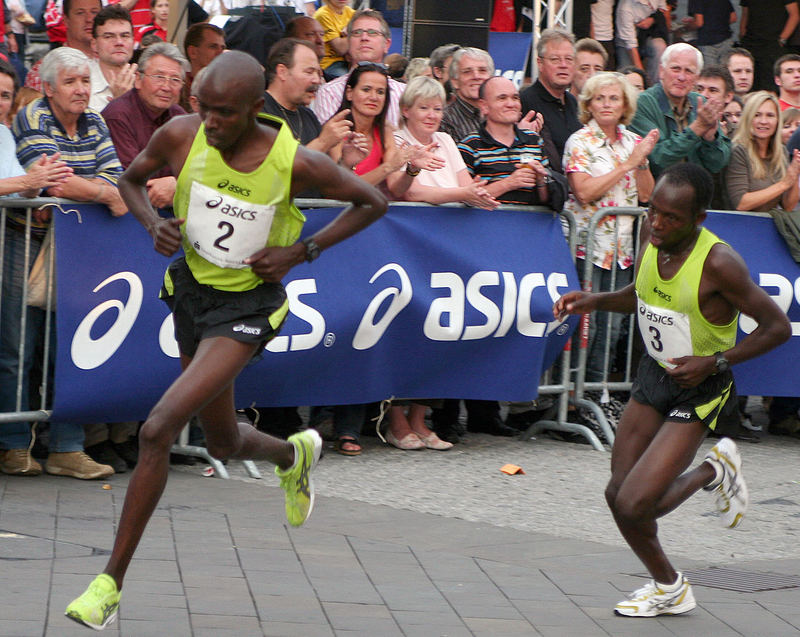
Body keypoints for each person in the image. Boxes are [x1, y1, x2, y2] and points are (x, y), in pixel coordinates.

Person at [64, 50, 387, 630]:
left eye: (223, 114)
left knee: (159, 427)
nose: (210, 122)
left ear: (253, 109)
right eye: (203, 108)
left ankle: (108, 585)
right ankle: (294, 455)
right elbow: (131, 181)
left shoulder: (293, 161)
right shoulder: (184, 135)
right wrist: (150, 222)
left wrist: (302, 250)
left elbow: (374, 201)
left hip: (247, 308)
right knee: (221, 441)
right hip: (190, 294)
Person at [553, 162, 791, 617]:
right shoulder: (652, 237)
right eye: (652, 210)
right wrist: (594, 301)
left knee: (636, 503)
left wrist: (715, 361)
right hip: (655, 375)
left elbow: (776, 328)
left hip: (702, 388)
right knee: (617, 497)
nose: (657, 223)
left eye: (670, 217)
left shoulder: (720, 262)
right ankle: (670, 587)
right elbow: (640, 294)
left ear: (698, 219)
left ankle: (711, 471)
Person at [5, 47, 125, 481]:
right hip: (28, 240)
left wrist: (91, 188)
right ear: (49, 87)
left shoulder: (95, 120)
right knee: (20, 346)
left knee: (71, 346)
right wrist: (101, 193)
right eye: (71, 82)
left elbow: (114, 174)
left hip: (78, 246)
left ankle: (67, 448)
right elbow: (53, 178)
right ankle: (14, 447)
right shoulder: (33, 116)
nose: (81, 90)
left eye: (85, 82)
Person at [0, 59, 74, 477]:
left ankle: (19, 445)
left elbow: (23, 186)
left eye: (6, 95)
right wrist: (30, 184)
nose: (0, 103)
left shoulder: (5, 136)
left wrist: (40, 192)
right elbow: (20, 185)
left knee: (21, 348)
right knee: (13, 349)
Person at [563, 72, 658, 382]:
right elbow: (585, 191)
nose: (606, 104)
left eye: (613, 98)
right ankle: (571, 399)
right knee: (584, 324)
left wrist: (641, 162)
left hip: (622, 250)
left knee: (613, 326)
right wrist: (628, 164)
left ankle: (597, 391)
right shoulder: (580, 141)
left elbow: (646, 195)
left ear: (625, 105)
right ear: (588, 104)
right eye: (600, 98)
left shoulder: (633, 142)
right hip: (586, 248)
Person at [101, 41, 186, 213]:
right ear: (138, 80)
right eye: (159, 77)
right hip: (127, 218)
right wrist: (178, 183)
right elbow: (133, 179)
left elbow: (201, 169)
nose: (166, 87)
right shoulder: (118, 114)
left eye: (175, 80)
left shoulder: (180, 117)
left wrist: (177, 183)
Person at [459, 76, 566, 208]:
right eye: (502, 98)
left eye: (515, 98)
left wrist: (541, 180)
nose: (511, 104)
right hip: (487, 225)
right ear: (484, 106)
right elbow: (463, 198)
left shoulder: (534, 140)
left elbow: (545, 200)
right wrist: (509, 183)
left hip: (531, 226)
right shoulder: (470, 145)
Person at [629, 43, 731, 180]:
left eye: (689, 71)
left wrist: (711, 140)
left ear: (696, 78)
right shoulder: (642, 103)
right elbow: (657, 160)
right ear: (661, 71)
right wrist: (697, 128)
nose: (682, 77)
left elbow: (717, 164)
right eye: (676, 69)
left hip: (696, 192)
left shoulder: (701, 104)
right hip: (658, 195)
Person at [394, 76, 497, 209]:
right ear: (406, 110)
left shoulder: (445, 139)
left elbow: (466, 185)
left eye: (437, 109)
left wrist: (478, 193)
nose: (431, 116)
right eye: (424, 108)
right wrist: (464, 194)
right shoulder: (396, 141)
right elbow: (413, 193)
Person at [328, 62, 416, 191]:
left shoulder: (385, 131)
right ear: (349, 93)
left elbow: (396, 190)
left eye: (380, 92)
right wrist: (388, 167)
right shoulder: (336, 129)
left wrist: (412, 170)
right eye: (366, 90)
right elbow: (344, 189)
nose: (374, 97)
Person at [312, 9, 404, 126]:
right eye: (357, 33)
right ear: (349, 43)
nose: (364, 37)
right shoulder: (328, 93)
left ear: (387, 44)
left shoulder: (404, 94)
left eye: (372, 32)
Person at [726, 91, 800, 213]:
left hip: (767, 226)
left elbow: (788, 206)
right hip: (738, 226)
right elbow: (741, 203)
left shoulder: (781, 152)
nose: (763, 121)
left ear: (777, 121)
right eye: (757, 115)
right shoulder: (738, 151)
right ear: (748, 118)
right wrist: (783, 184)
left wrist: (794, 174)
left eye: (770, 115)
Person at [519, 29, 581, 171]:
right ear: (540, 63)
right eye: (555, 59)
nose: (563, 65)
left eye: (569, 59)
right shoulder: (525, 102)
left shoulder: (572, 102)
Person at [25, 0, 101, 92]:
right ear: (66, 20)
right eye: (80, 13)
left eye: (94, 12)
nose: (89, 19)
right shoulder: (45, 70)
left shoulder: (114, 62)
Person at [739, 0, 799, 92]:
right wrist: (742, 35)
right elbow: (745, 14)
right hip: (750, 43)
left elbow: (794, 15)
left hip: (772, 44)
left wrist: (782, 39)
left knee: (771, 86)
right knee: (750, 84)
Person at [439, 46, 494, 142]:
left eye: (482, 70)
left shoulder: (500, 113)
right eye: (467, 72)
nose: (476, 76)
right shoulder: (444, 120)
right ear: (455, 82)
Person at [89, 4, 136, 112]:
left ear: (133, 42)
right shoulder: (81, 83)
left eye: (125, 36)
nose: (119, 42)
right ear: (94, 44)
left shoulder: (145, 83)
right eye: (109, 36)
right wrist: (120, 104)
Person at [614, 0, 669, 84]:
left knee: (659, 46)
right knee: (625, 75)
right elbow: (631, 44)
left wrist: (652, 19)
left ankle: (654, 87)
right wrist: (642, 77)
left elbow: (663, 10)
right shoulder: (625, 8)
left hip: (646, 37)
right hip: (626, 44)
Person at [179, 22, 225, 112]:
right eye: (213, 47)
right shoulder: (177, 89)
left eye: (222, 48)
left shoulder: (228, 89)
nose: (220, 53)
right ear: (193, 52)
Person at [685, 0, 736, 66]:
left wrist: (686, 27)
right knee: (726, 71)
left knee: (710, 73)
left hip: (707, 42)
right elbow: (733, 18)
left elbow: (699, 23)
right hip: (726, 38)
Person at [314, 0, 354, 79]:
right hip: (329, 64)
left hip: (349, 60)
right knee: (347, 82)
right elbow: (340, 48)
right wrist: (351, 30)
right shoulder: (323, 15)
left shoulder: (350, 12)